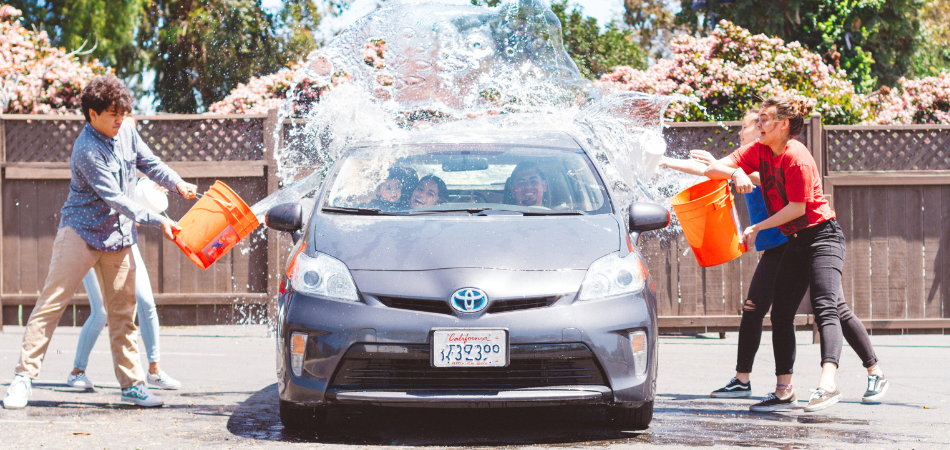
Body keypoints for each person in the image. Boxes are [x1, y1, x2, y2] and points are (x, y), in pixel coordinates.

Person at [660, 111, 887, 408]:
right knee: (783, 313)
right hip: (792, 241)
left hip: (820, 236)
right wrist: (665, 161)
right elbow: (715, 169)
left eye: (758, 123)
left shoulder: (795, 156)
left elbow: (796, 207)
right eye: (752, 124)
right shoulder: (758, 154)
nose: (750, 129)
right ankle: (784, 388)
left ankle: (834, 382)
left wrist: (756, 222)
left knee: (827, 308)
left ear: (781, 126)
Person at [2, 76, 197, 410]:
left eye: (122, 112)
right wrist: (159, 220)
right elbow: (117, 198)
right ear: (92, 114)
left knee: (123, 313)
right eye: (111, 113)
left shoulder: (127, 130)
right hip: (80, 233)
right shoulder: (87, 150)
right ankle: (23, 378)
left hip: (117, 237)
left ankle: (132, 386)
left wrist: (178, 183)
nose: (119, 119)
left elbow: (148, 162)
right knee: (51, 304)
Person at [66, 244, 182, 391]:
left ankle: (155, 371)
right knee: (100, 312)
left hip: (125, 242)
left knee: (146, 302)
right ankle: (77, 371)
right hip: (91, 241)